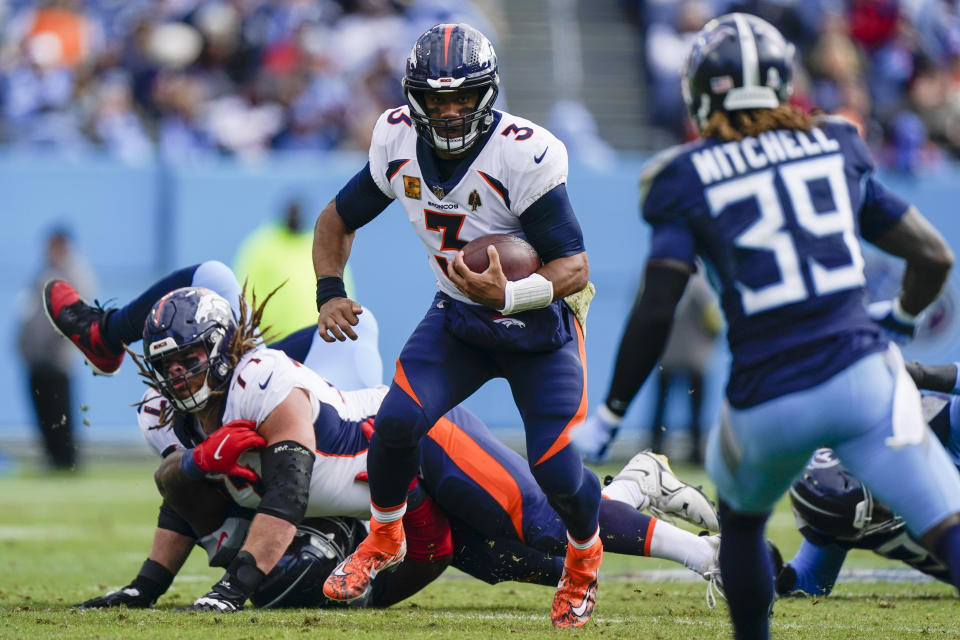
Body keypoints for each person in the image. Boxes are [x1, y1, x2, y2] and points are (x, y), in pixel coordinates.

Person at [609, 13, 960, 640]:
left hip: (767, 393)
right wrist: (902, 322)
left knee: (741, 522)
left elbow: (656, 302)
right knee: (943, 521)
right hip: (862, 376)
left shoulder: (682, 174)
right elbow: (933, 256)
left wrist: (610, 413)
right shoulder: (836, 142)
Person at [76, 287, 722, 611]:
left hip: (421, 442)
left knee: (547, 525)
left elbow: (290, 487)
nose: (181, 376)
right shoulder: (163, 417)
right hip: (386, 509)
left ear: (219, 349)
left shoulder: (259, 379)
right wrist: (146, 586)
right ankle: (634, 487)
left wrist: (237, 588)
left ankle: (703, 553)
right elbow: (182, 503)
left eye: (190, 358)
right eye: (170, 365)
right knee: (515, 564)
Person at [310, 23, 601, 627]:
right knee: (394, 424)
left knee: (554, 469)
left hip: (536, 328)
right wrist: (330, 291)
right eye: (436, 98)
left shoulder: (523, 152)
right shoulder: (394, 140)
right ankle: (385, 535)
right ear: (414, 97)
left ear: (487, 93)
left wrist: (512, 291)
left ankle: (583, 559)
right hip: (460, 318)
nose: (449, 111)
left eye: (462, 97)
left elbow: (574, 266)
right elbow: (336, 219)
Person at [42, 260, 382, 391]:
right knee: (359, 323)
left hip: (279, 420)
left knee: (211, 276)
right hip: (321, 417)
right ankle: (103, 336)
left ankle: (104, 336)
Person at [775, 361, 960, 597]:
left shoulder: (933, 425)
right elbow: (808, 581)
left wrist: (929, 375)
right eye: (873, 517)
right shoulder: (838, 519)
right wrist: (769, 571)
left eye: (876, 502)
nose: (885, 513)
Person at [575, 269, 722, 464]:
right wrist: (708, 343)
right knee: (689, 408)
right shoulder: (699, 281)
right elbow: (713, 320)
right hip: (693, 357)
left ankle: (655, 452)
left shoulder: (651, 276)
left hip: (665, 354)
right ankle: (695, 454)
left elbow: (640, 312)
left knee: (662, 407)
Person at [16, 227, 95, 470]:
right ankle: (51, 457)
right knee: (42, 410)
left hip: (58, 359)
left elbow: (78, 314)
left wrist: (55, 345)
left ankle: (66, 460)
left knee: (59, 410)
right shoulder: (42, 272)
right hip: (35, 358)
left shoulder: (75, 273)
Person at [234, 198, 359, 340]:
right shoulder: (262, 246)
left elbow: (341, 285)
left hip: (319, 339)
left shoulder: (319, 243)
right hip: (276, 343)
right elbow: (247, 294)